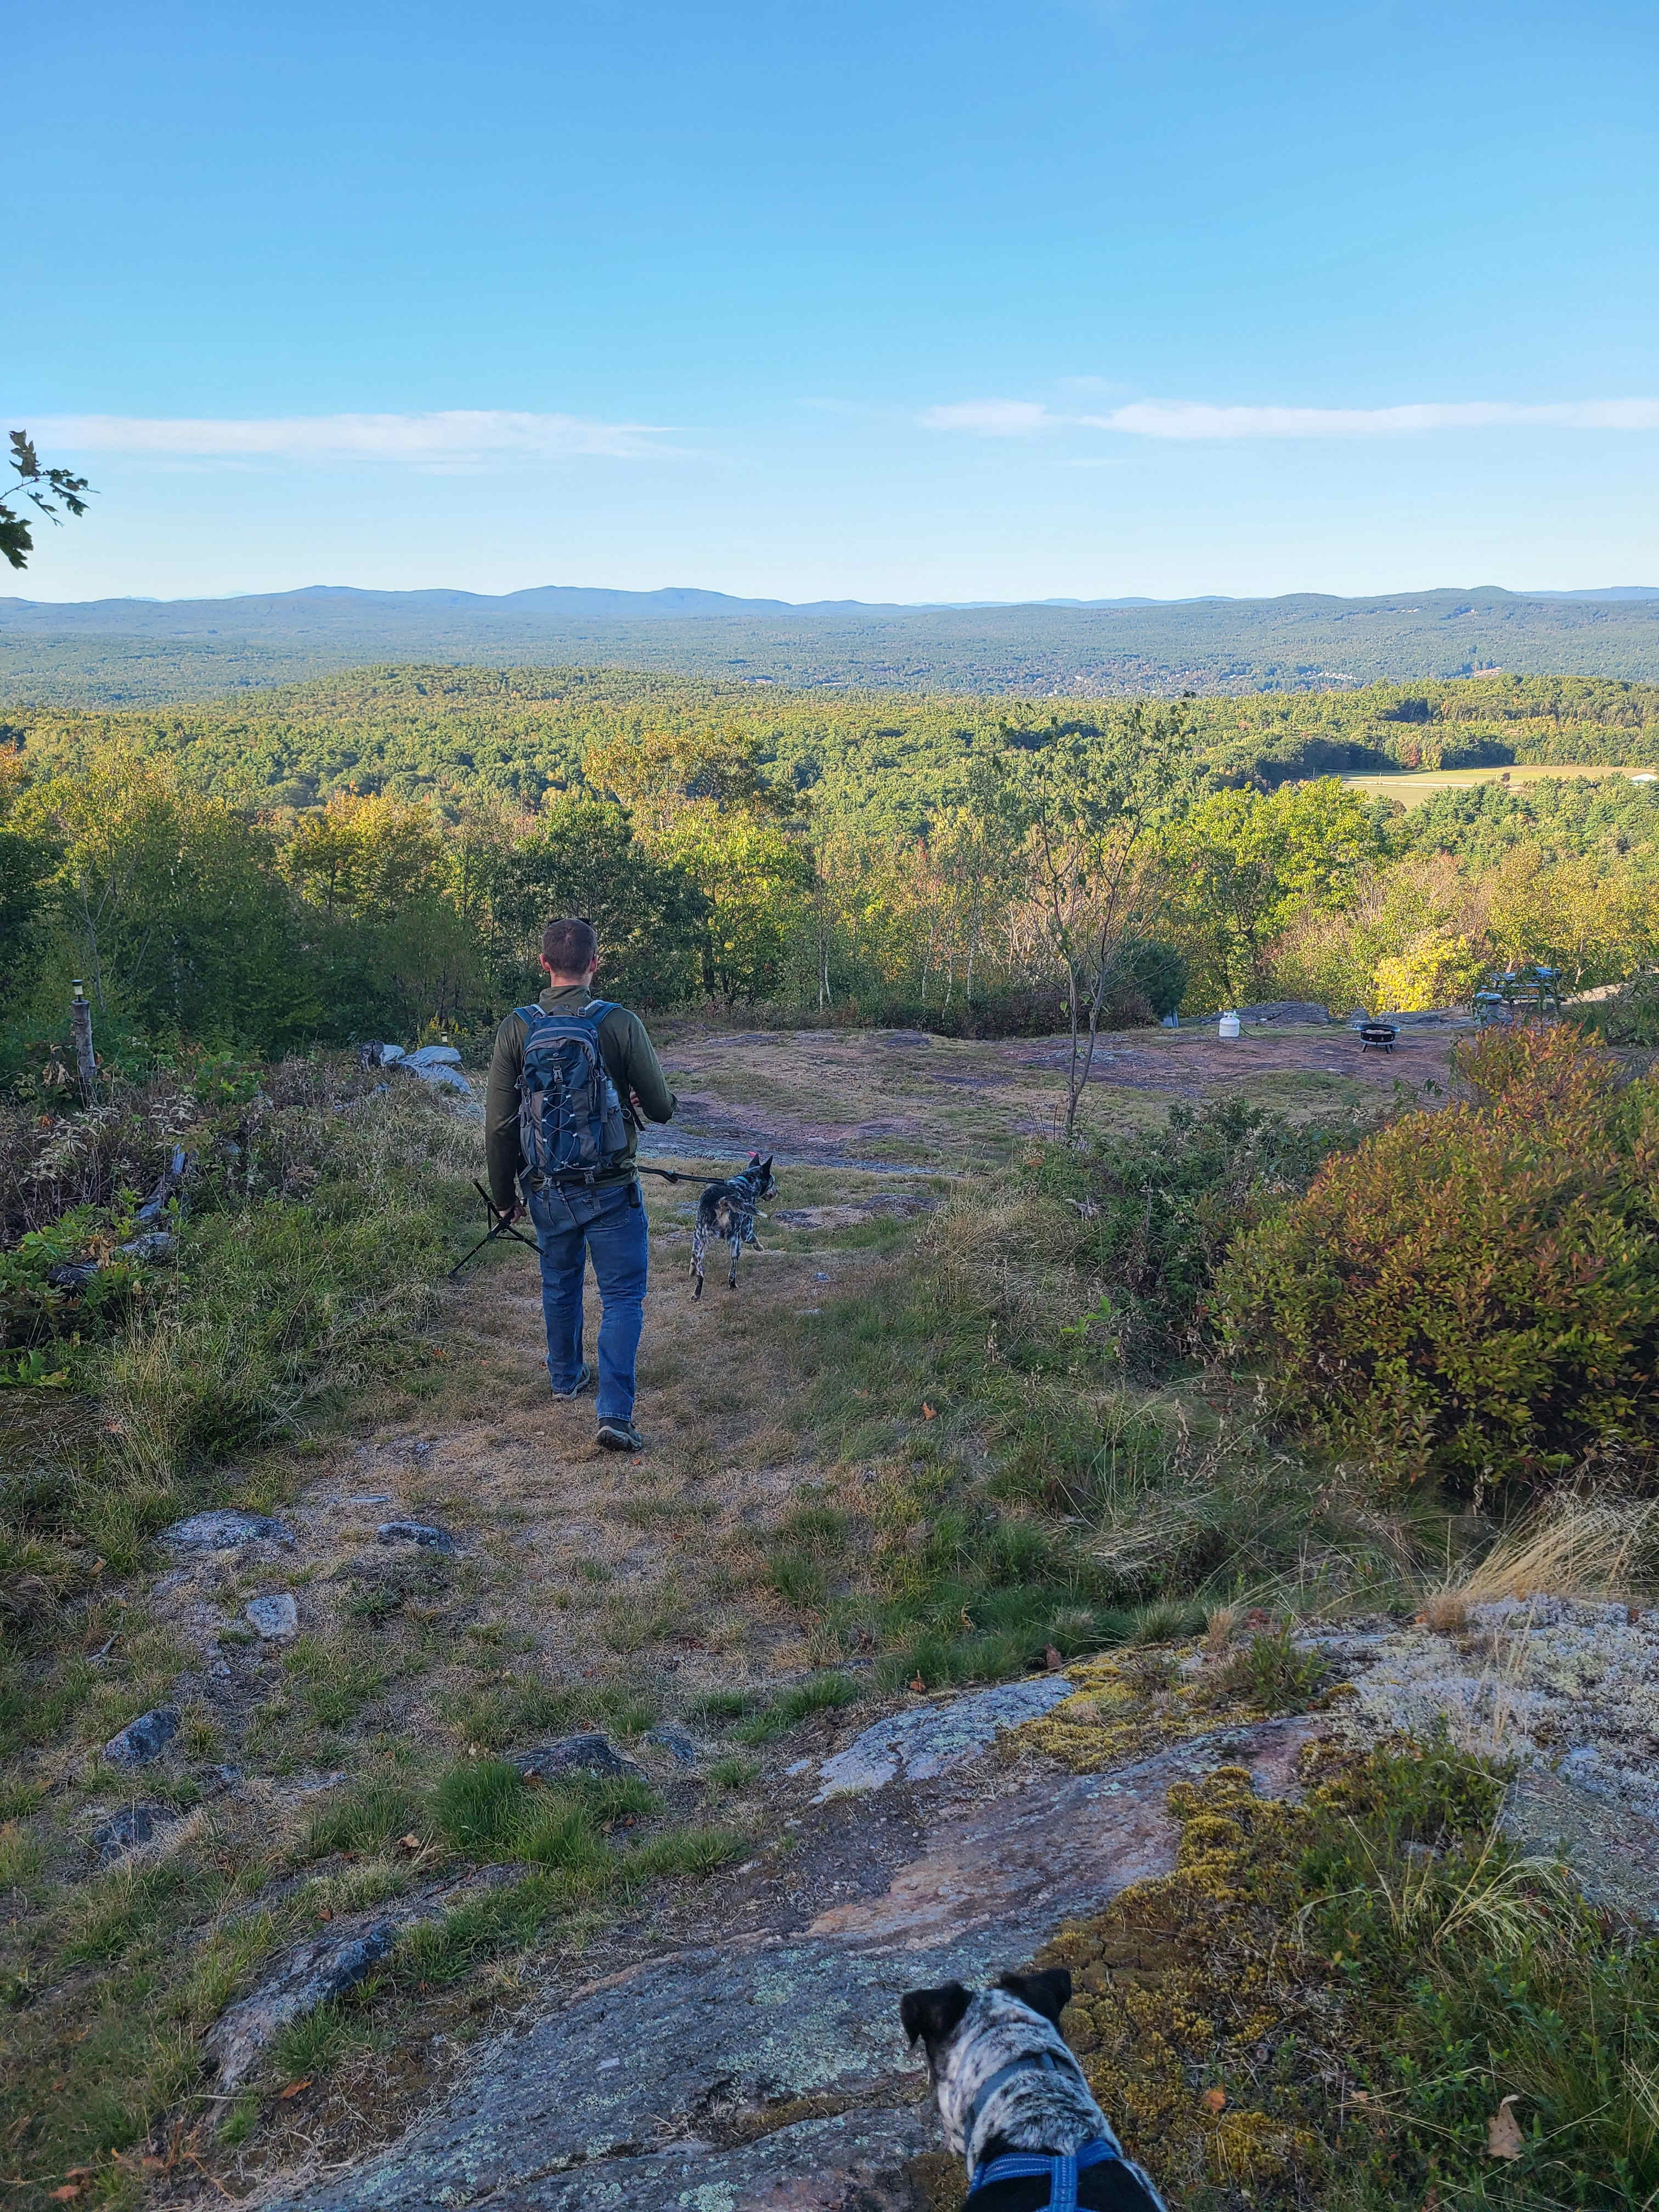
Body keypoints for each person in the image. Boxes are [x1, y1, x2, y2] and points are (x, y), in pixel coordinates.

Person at [485, 917, 676, 1452]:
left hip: (547, 1186)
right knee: (621, 1297)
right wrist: (640, 1102)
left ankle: (566, 1377)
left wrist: (504, 1197)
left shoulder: (516, 1028)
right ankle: (614, 1413)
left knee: (560, 1281)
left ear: (544, 964)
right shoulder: (620, 1024)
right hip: (613, 1184)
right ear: (595, 963)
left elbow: (500, 1126)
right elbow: (660, 1106)